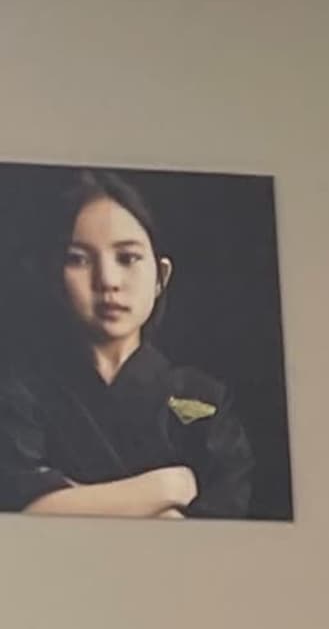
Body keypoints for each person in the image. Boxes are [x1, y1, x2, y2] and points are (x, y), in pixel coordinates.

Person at [0, 171, 251, 519]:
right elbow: (20, 510)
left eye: (128, 258)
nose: (108, 281)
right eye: (79, 259)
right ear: (55, 276)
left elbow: (227, 518)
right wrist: (166, 488)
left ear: (161, 277)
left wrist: (71, 500)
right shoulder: (22, 394)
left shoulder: (205, 396)